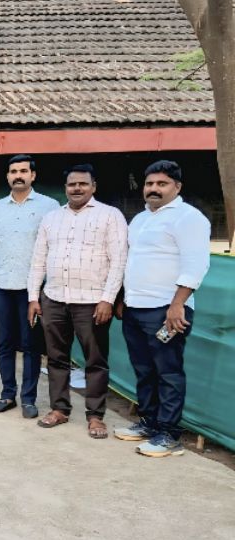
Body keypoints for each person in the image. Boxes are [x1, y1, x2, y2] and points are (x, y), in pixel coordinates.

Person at [115, 160, 211, 457]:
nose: (153, 189)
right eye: (149, 184)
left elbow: (196, 264)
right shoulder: (140, 219)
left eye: (162, 184)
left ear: (177, 187)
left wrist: (177, 304)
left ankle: (169, 434)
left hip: (167, 310)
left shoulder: (189, 218)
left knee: (168, 372)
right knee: (144, 370)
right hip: (135, 308)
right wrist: (123, 299)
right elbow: (132, 262)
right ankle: (150, 423)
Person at [28, 164, 127, 439]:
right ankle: (60, 409)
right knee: (56, 358)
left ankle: (95, 416)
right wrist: (33, 297)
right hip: (54, 298)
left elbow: (119, 261)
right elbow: (38, 260)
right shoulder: (51, 218)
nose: (77, 188)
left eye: (83, 183)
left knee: (95, 360)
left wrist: (108, 299)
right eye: (72, 184)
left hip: (92, 302)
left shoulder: (110, 216)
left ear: (93, 186)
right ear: (65, 188)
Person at [0, 155, 59, 419]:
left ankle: (29, 398)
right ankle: (7, 394)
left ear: (33, 175)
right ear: (7, 177)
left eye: (23, 171)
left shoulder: (49, 207)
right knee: (4, 343)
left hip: (31, 289)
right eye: (13, 171)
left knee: (30, 344)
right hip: (0, 284)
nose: (18, 175)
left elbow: (53, 249)